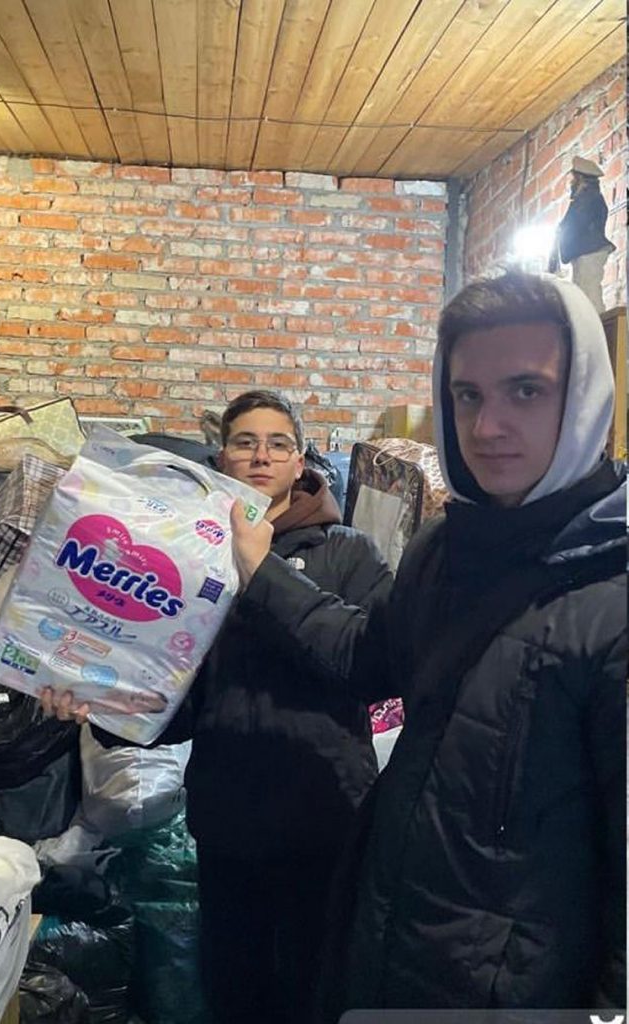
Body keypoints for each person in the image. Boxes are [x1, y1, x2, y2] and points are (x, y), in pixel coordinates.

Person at [229, 272, 626, 1013]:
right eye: (467, 395)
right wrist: (260, 572)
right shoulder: (446, 548)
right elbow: (364, 658)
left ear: (583, 401)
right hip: (395, 947)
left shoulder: (612, 593)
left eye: (526, 391)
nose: (487, 426)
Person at [41, 389, 392, 1024]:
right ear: (222, 457)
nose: (261, 456)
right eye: (245, 443)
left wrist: (262, 571)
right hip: (230, 818)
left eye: (278, 444)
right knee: (234, 989)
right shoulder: (193, 558)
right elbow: (177, 707)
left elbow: (367, 667)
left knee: (319, 988)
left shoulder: (348, 553)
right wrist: (100, 707)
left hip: (326, 812)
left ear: (300, 461)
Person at [549, 155, 616, 312]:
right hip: (583, 251)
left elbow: (576, 221)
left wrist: (562, 229)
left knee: (589, 292)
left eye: (574, 179)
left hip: (589, 251)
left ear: (581, 179)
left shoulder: (589, 199)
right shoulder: (584, 199)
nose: (571, 183)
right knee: (582, 292)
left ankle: (595, 322)